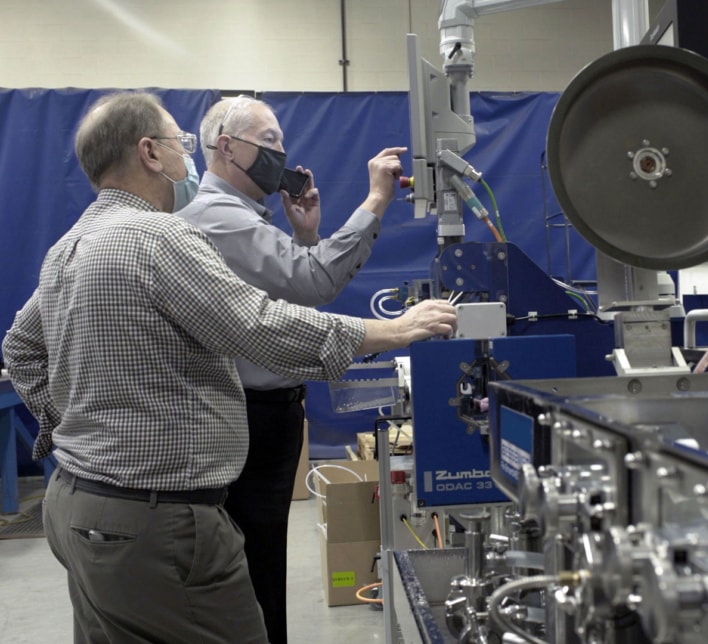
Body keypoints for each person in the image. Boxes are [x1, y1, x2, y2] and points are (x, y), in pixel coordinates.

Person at [1, 91, 455, 644]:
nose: (185, 159)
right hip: (154, 519)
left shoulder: (69, 245)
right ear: (149, 153)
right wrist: (394, 329)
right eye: (180, 144)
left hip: (75, 504)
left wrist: (72, 428)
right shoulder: (159, 237)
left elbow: (21, 349)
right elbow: (258, 325)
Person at [176, 95, 400, 643]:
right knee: (255, 562)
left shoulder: (244, 219)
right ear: (226, 148)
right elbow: (314, 282)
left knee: (263, 553)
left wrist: (304, 237)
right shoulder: (218, 218)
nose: (282, 153)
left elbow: (290, 301)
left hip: (265, 414)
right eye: (269, 142)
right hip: (249, 417)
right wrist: (375, 200)